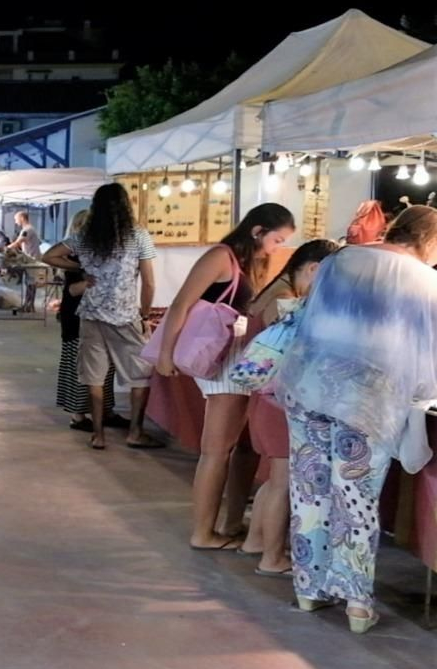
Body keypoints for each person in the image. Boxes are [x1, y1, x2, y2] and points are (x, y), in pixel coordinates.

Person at [278, 207, 437, 633]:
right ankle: (356, 604)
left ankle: (309, 589)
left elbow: (309, 317)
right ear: (428, 240)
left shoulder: (340, 259)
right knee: (356, 499)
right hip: (369, 400)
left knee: (309, 490)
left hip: (310, 384)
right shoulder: (424, 281)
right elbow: (426, 356)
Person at [154, 203, 296, 551]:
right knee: (216, 450)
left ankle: (230, 522)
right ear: (257, 231)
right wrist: (165, 354)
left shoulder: (250, 263)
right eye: (276, 240)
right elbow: (181, 305)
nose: (276, 248)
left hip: (238, 357)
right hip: (224, 362)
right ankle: (203, 532)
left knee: (243, 446)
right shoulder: (220, 257)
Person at [242, 239, 339, 577]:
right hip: (278, 404)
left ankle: (256, 541)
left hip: (265, 401)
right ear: (313, 269)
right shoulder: (287, 301)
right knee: (283, 482)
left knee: (273, 479)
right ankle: (272, 558)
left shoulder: (276, 290)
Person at [42, 183, 159, 451]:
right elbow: (149, 283)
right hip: (125, 315)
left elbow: (48, 255)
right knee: (140, 375)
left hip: (91, 315)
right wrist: (145, 314)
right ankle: (135, 432)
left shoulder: (85, 236)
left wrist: (79, 264)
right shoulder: (138, 235)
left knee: (94, 376)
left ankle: (98, 435)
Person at [56, 209, 121, 433]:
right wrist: (93, 280)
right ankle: (78, 414)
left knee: (105, 366)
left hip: (101, 316)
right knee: (81, 365)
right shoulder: (75, 258)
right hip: (79, 318)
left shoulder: (95, 255)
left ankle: (105, 410)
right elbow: (73, 290)